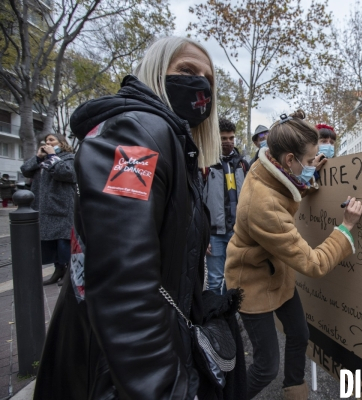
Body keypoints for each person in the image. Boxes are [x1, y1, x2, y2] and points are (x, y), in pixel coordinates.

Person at [33, 37, 245, 400]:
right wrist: (164, 389)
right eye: (186, 71)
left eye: (207, 80)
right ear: (155, 72)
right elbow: (123, 281)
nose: (199, 87)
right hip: (114, 373)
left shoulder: (174, 142)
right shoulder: (138, 134)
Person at [225, 110, 362, 399]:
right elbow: (314, 264)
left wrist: (310, 172)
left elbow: (287, 185)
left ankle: (295, 390)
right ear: (290, 160)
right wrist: (346, 227)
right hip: (252, 284)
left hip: (278, 273)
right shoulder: (264, 206)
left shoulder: (268, 165)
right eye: (311, 160)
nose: (314, 164)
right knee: (265, 367)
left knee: (300, 334)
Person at [20, 134, 76, 286]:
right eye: (46, 141)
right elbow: (25, 170)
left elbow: (68, 174)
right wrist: (38, 158)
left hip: (61, 205)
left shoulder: (68, 158)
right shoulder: (42, 160)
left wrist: (52, 155)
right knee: (49, 241)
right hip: (43, 206)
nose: (47, 143)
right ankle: (58, 270)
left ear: (62, 143)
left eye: (51, 140)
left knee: (63, 240)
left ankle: (70, 272)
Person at [203, 117, 249, 294]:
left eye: (231, 138)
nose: (228, 142)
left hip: (237, 233)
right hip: (214, 234)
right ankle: (215, 319)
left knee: (237, 278)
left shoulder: (242, 165)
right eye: (224, 138)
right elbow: (200, 202)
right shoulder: (206, 165)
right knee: (215, 280)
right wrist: (204, 235)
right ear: (216, 138)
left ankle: (231, 317)